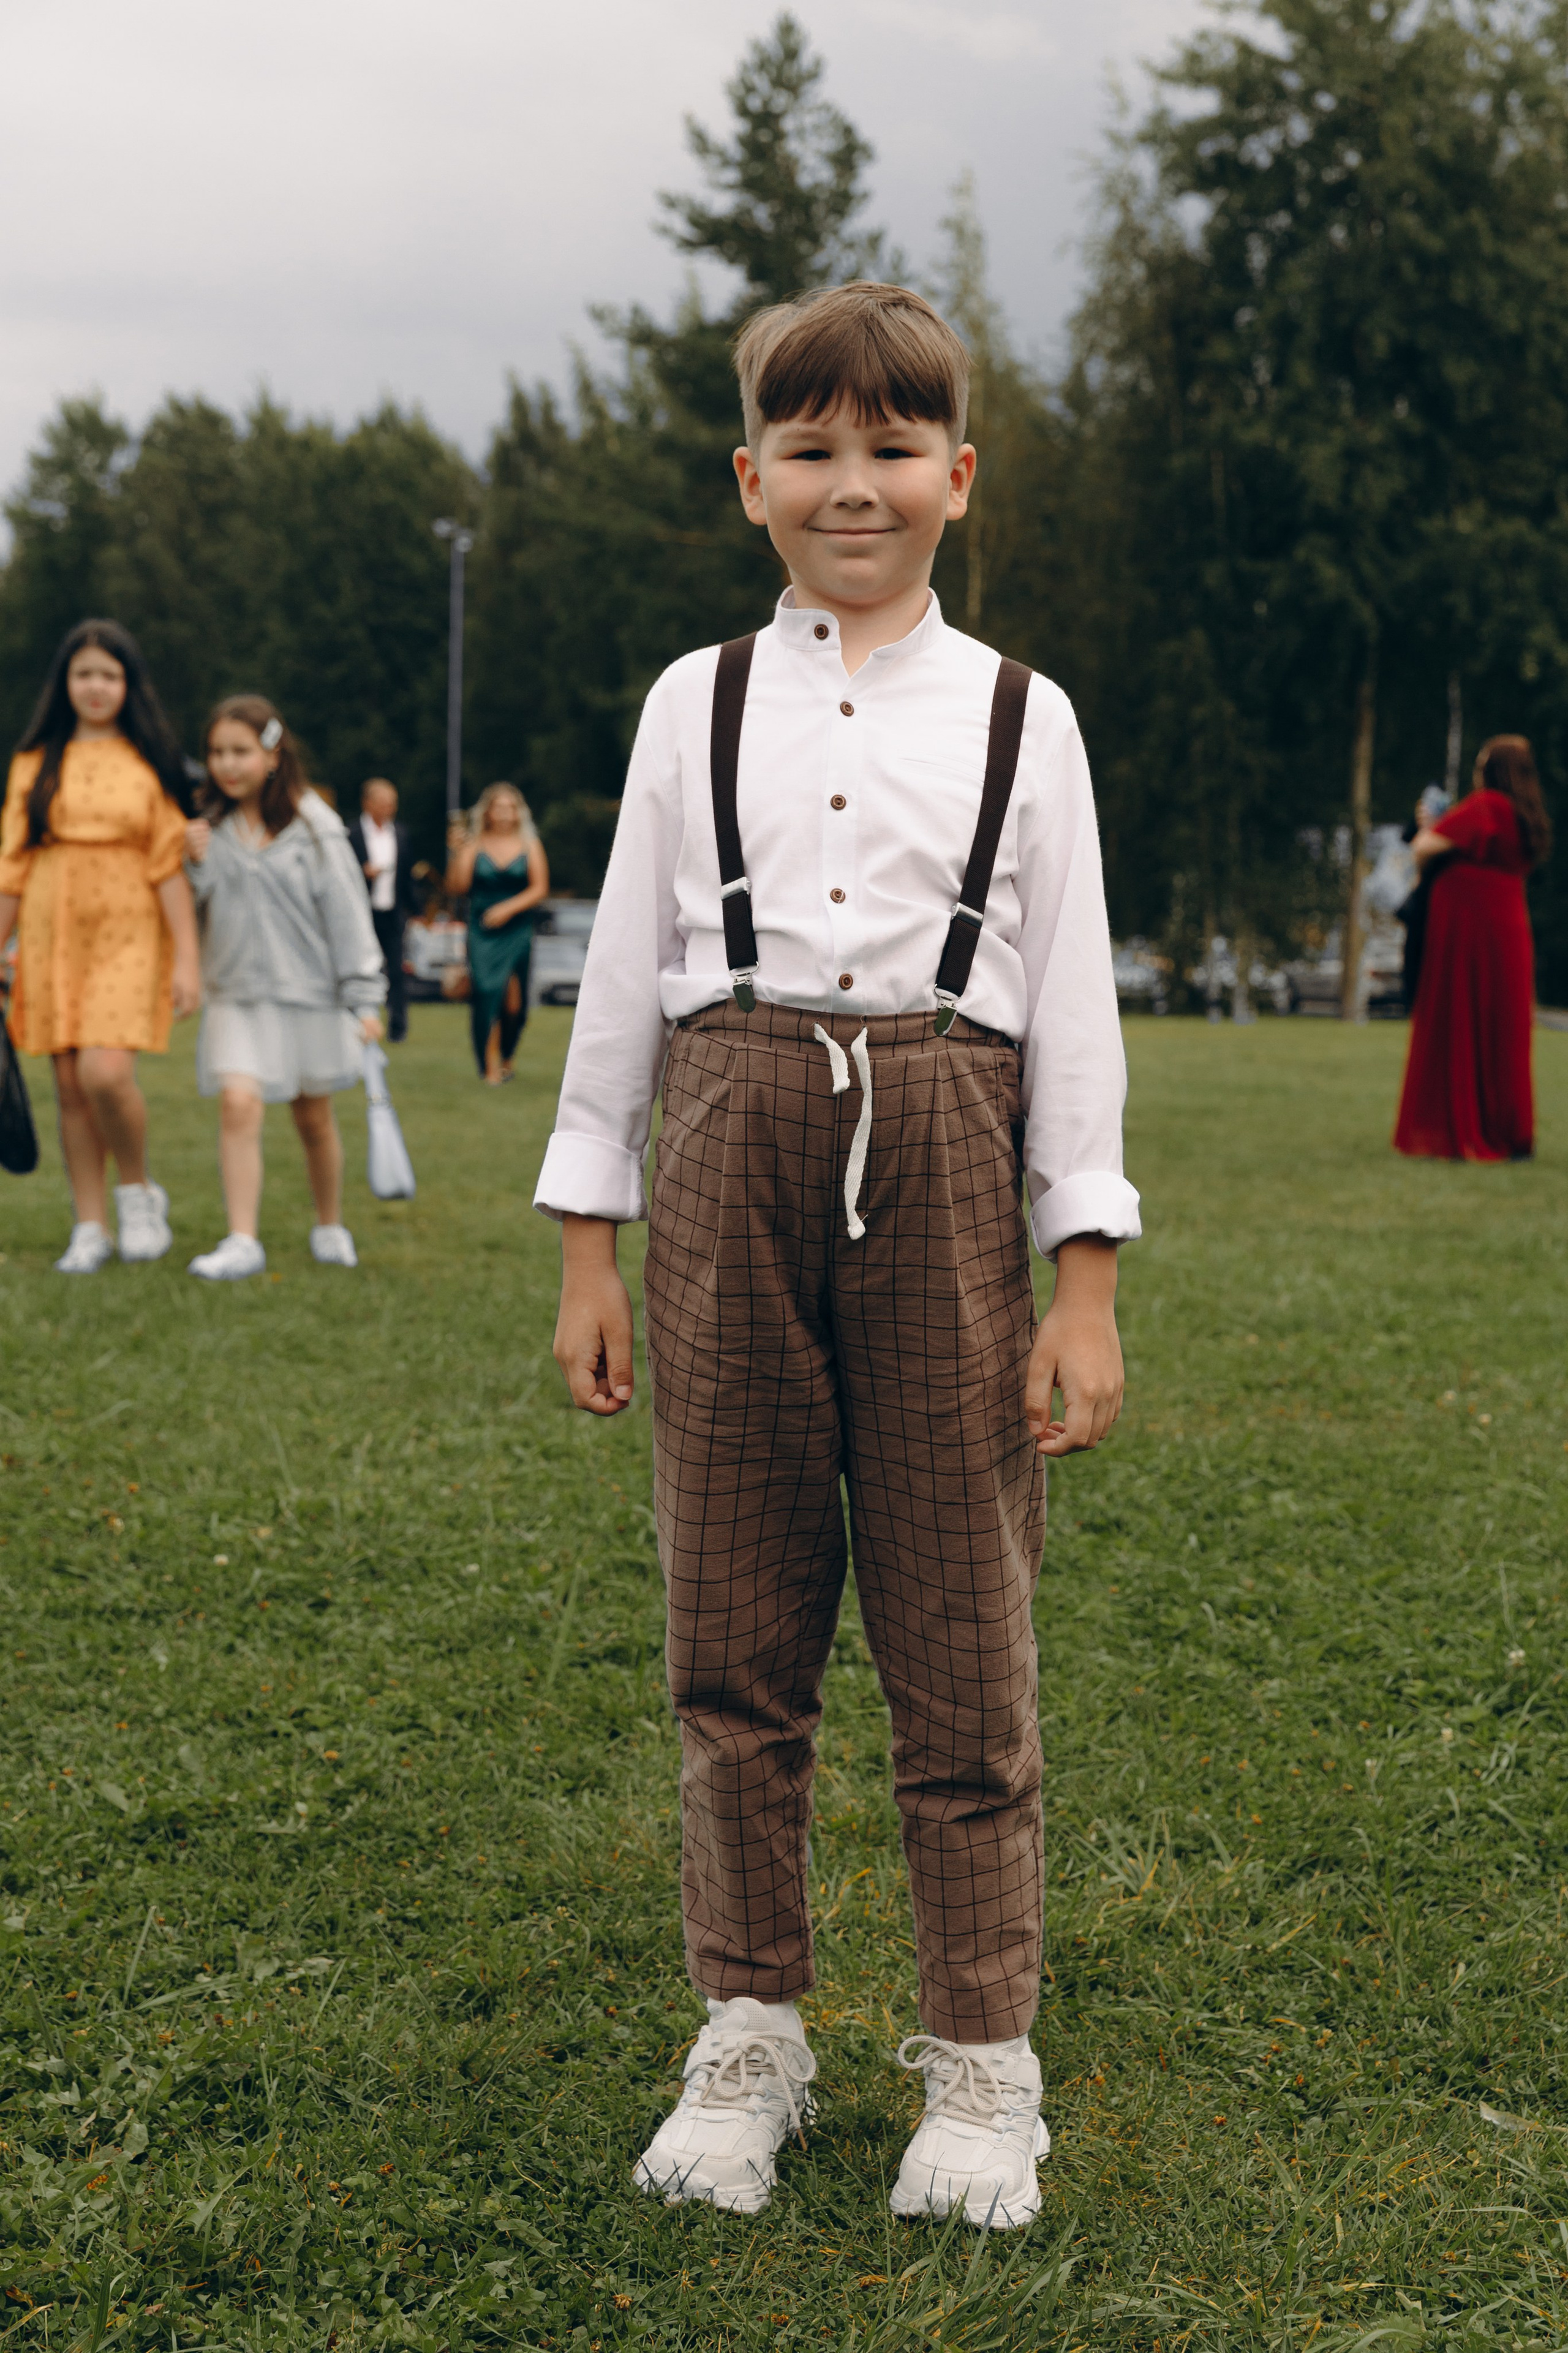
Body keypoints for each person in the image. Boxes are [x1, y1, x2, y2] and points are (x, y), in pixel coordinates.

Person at [535, 283, 1139, 2229]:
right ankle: (749, 2027)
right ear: (750, 481)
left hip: (952, 1141)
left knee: (960, 1622)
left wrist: (1085, 1276)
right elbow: (620, 976)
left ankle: (979, 2062)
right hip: (719, 1139)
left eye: (890, 448)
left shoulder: (1020, 714)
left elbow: (1075, 1007)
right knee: (732, 1621)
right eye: (810, 448)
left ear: (956, 478)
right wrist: (586, 1242)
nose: (849, 483)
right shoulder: (687, 703)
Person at [0, 619, 201, 1274]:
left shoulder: (149, 762)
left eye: (109, 675)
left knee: (105, 1074)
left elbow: (168, 862)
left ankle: (138, 1192)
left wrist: (189, 960)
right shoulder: (34, 763)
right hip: (53, 930)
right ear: (65, 683)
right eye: (84, 673)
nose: (95, 687)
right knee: (68, 1086)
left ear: (128, 685)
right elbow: (12, 867)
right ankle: (89, 1225)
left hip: (130, 929)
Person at [184, 695, 385, 1279]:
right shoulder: (208, 828)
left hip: (309, 997)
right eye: (217, 752)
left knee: (312, 1115)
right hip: (236, 995)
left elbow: (348, 916)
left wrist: (363, 997)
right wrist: (194, 865)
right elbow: (195, 912)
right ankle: (242, 1239)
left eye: (240, 751)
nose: (227, 764)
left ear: (273, 754)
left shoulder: (315, 826)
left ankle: (330, 1224)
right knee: (238, 1104)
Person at [1394, 736, 1550, 1161]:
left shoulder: (1487, 806)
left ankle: (1461, 1127)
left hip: (1468, 929)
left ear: (1494, 770)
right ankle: (1511, 1128)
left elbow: (1424, 848)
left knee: (1459, 1017)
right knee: (1505, 1030)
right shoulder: (1525, 815)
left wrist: (1428, 827)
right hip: (1508, 926)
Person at [445, 783, 549, 1082]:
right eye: (498, 807)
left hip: (517, 928)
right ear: (487, 812)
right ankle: (488, 1067)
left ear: (519, 813)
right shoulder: (474, 843)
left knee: (515, 1004)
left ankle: (507, 1056)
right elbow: (458, 888)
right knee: (487, 993)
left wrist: (508, 909)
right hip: (482, 929)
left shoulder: (530, 844)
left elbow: (539, 888)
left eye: (510, 807)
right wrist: (457, 853)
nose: (504, 813)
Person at [348, 777, 417, 1043]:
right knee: (362, 968)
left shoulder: (400, 833)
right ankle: (358, 1021)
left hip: (392, 913)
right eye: (383, 803)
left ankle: (398, 1027)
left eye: (392, 803)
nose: (389, 808)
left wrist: (416, 911)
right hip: (362, 914)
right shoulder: (351, 834)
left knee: (397, 971)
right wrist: (362, 873)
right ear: (368, 803)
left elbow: (407, 876)